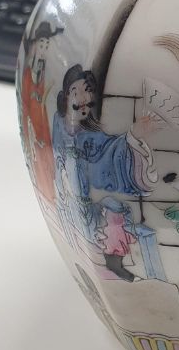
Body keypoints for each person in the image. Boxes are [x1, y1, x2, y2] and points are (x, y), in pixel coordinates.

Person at [52, 64, 161, 247]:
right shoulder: (58, 123)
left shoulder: (93, 137)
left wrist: (133, 136)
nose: (84, 98)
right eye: (76, 91)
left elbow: (109, 157)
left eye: (88, 92)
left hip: (87, 208)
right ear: (66, 97)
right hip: (65, 202)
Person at [20, 21, 63, 203]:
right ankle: (47, 196)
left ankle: (51, 197)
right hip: (32, 120)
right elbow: (26, 100)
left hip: (43, 121)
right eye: (42, 44)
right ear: (35, 45)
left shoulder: (43, 70)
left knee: (47, 160)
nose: (44, 49)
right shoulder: (28, 72)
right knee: (38, 157)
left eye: (47, 46)